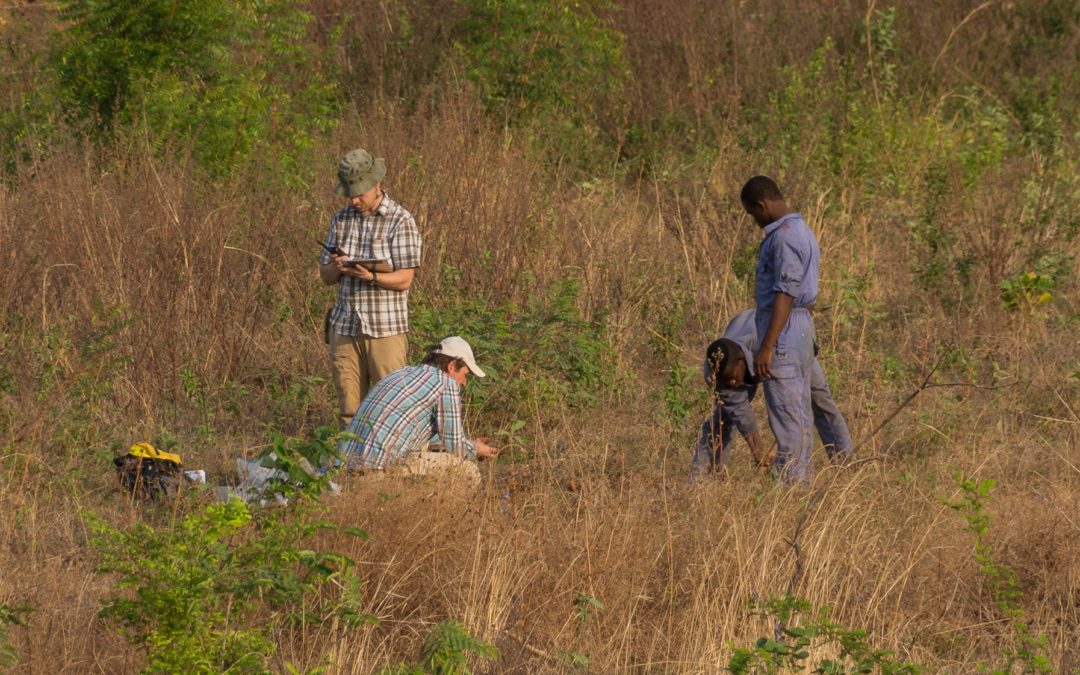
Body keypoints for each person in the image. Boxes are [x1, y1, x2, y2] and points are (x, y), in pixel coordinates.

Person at [320, 147, 423, 429]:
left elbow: (404, 279)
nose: (354, 200)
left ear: (376, 185)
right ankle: (352, 469)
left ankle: (392, 468)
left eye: (360, 193)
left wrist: (371, 277)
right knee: (349, 409)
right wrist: (337, 266)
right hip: (344, 325)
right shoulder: (340, 220)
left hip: (385, 329)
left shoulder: (400, 220)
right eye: (350, 194)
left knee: (393, 406)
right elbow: (325, 277)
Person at [690, 309, 853, 481]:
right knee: (723, 419)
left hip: (788, 343)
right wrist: (759, 454)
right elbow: (741, 414)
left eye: (731, 377)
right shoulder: (714, 371)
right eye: (725, 379)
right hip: (747, 329)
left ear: (741, 359)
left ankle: (846, 464)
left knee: (820, 400)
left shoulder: (762, 344)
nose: (730, 383)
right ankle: (702, 479)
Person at [741, 176, 821, 485]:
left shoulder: (784, 237)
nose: (755, 221)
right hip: (800, 327)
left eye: (753, 214)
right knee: (799, 418)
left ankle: (790, 496)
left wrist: (767, 346)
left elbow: (785, 292)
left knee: (788, 420)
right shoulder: (801, 230)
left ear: (762, 205)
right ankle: (802, 488)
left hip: (784, 332)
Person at [339, 336, 500, 484]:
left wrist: (470, 443)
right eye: (465, 374)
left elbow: (429, 438)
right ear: (451, 366)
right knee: (468, 472)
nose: (464, 382)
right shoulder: (446, 384)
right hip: (375, 473)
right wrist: (476, 449)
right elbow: (456, 446)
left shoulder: (401, 373)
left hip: (342, 470)